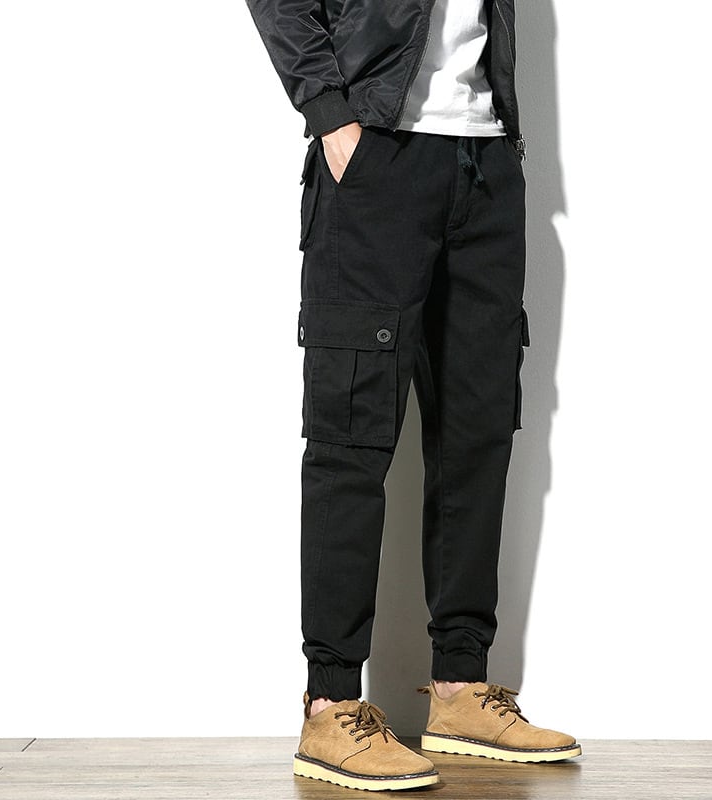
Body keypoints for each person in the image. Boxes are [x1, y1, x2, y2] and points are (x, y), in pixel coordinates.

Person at [244, 0, 581, 790]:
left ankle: (461, 688)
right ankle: (330, 703)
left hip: (487, 163)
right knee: (351, 435)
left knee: (477, 434)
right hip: (376, 156)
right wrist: (330, 115)